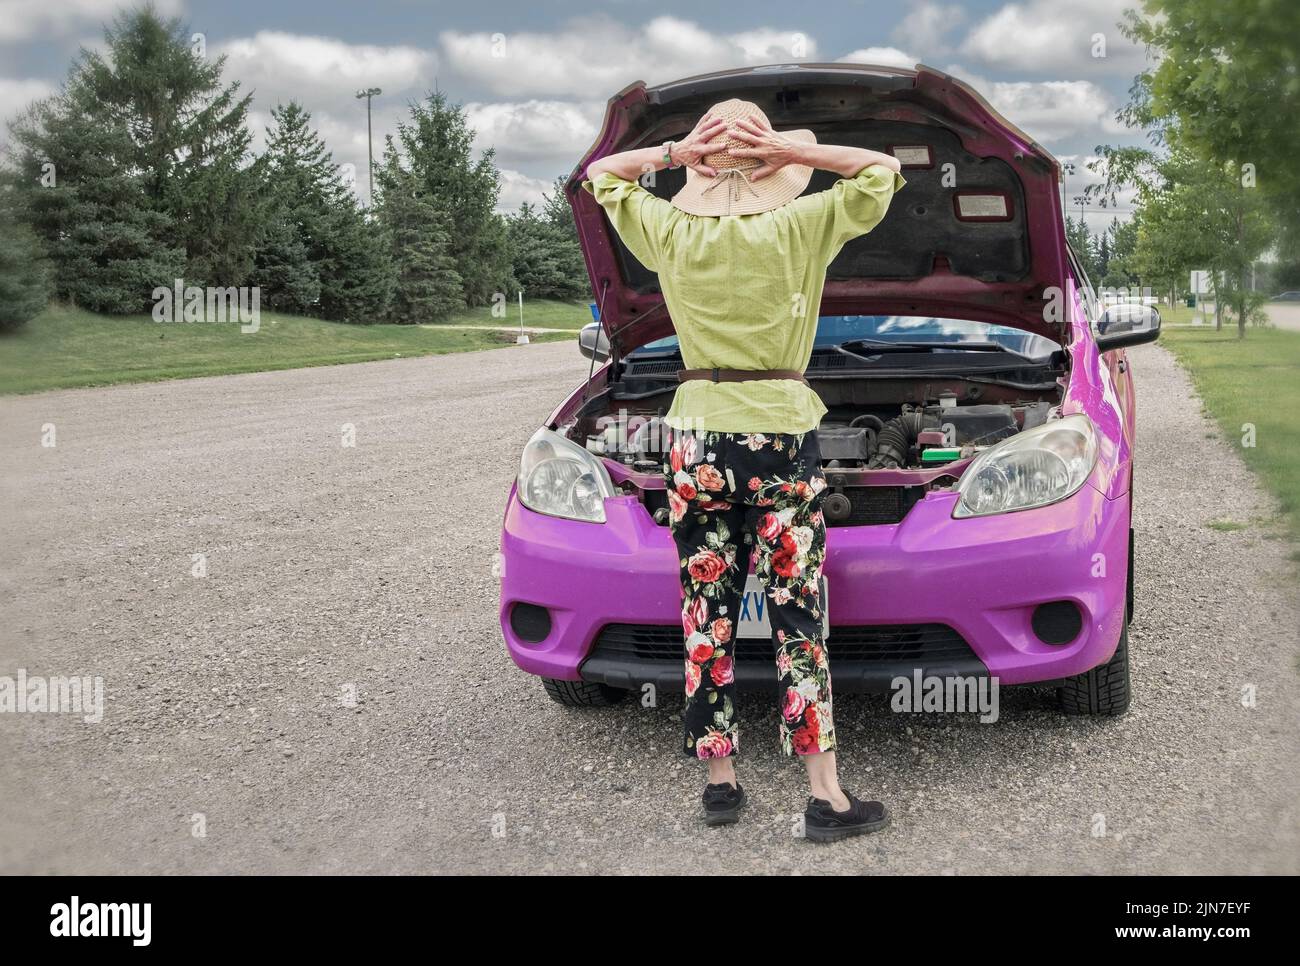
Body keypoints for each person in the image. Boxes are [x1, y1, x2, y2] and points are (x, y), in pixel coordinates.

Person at [582, 98, 905, 842]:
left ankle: (720, 785)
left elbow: (601, 174)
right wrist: (796, 150)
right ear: (773, 167)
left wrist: (674, 153)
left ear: (702, 168)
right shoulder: (801, 223)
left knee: (706, 610)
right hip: (780, 436)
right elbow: (883, 172)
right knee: (797, 618)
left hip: (695, 437)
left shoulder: (670, 227)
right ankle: (825, 796)